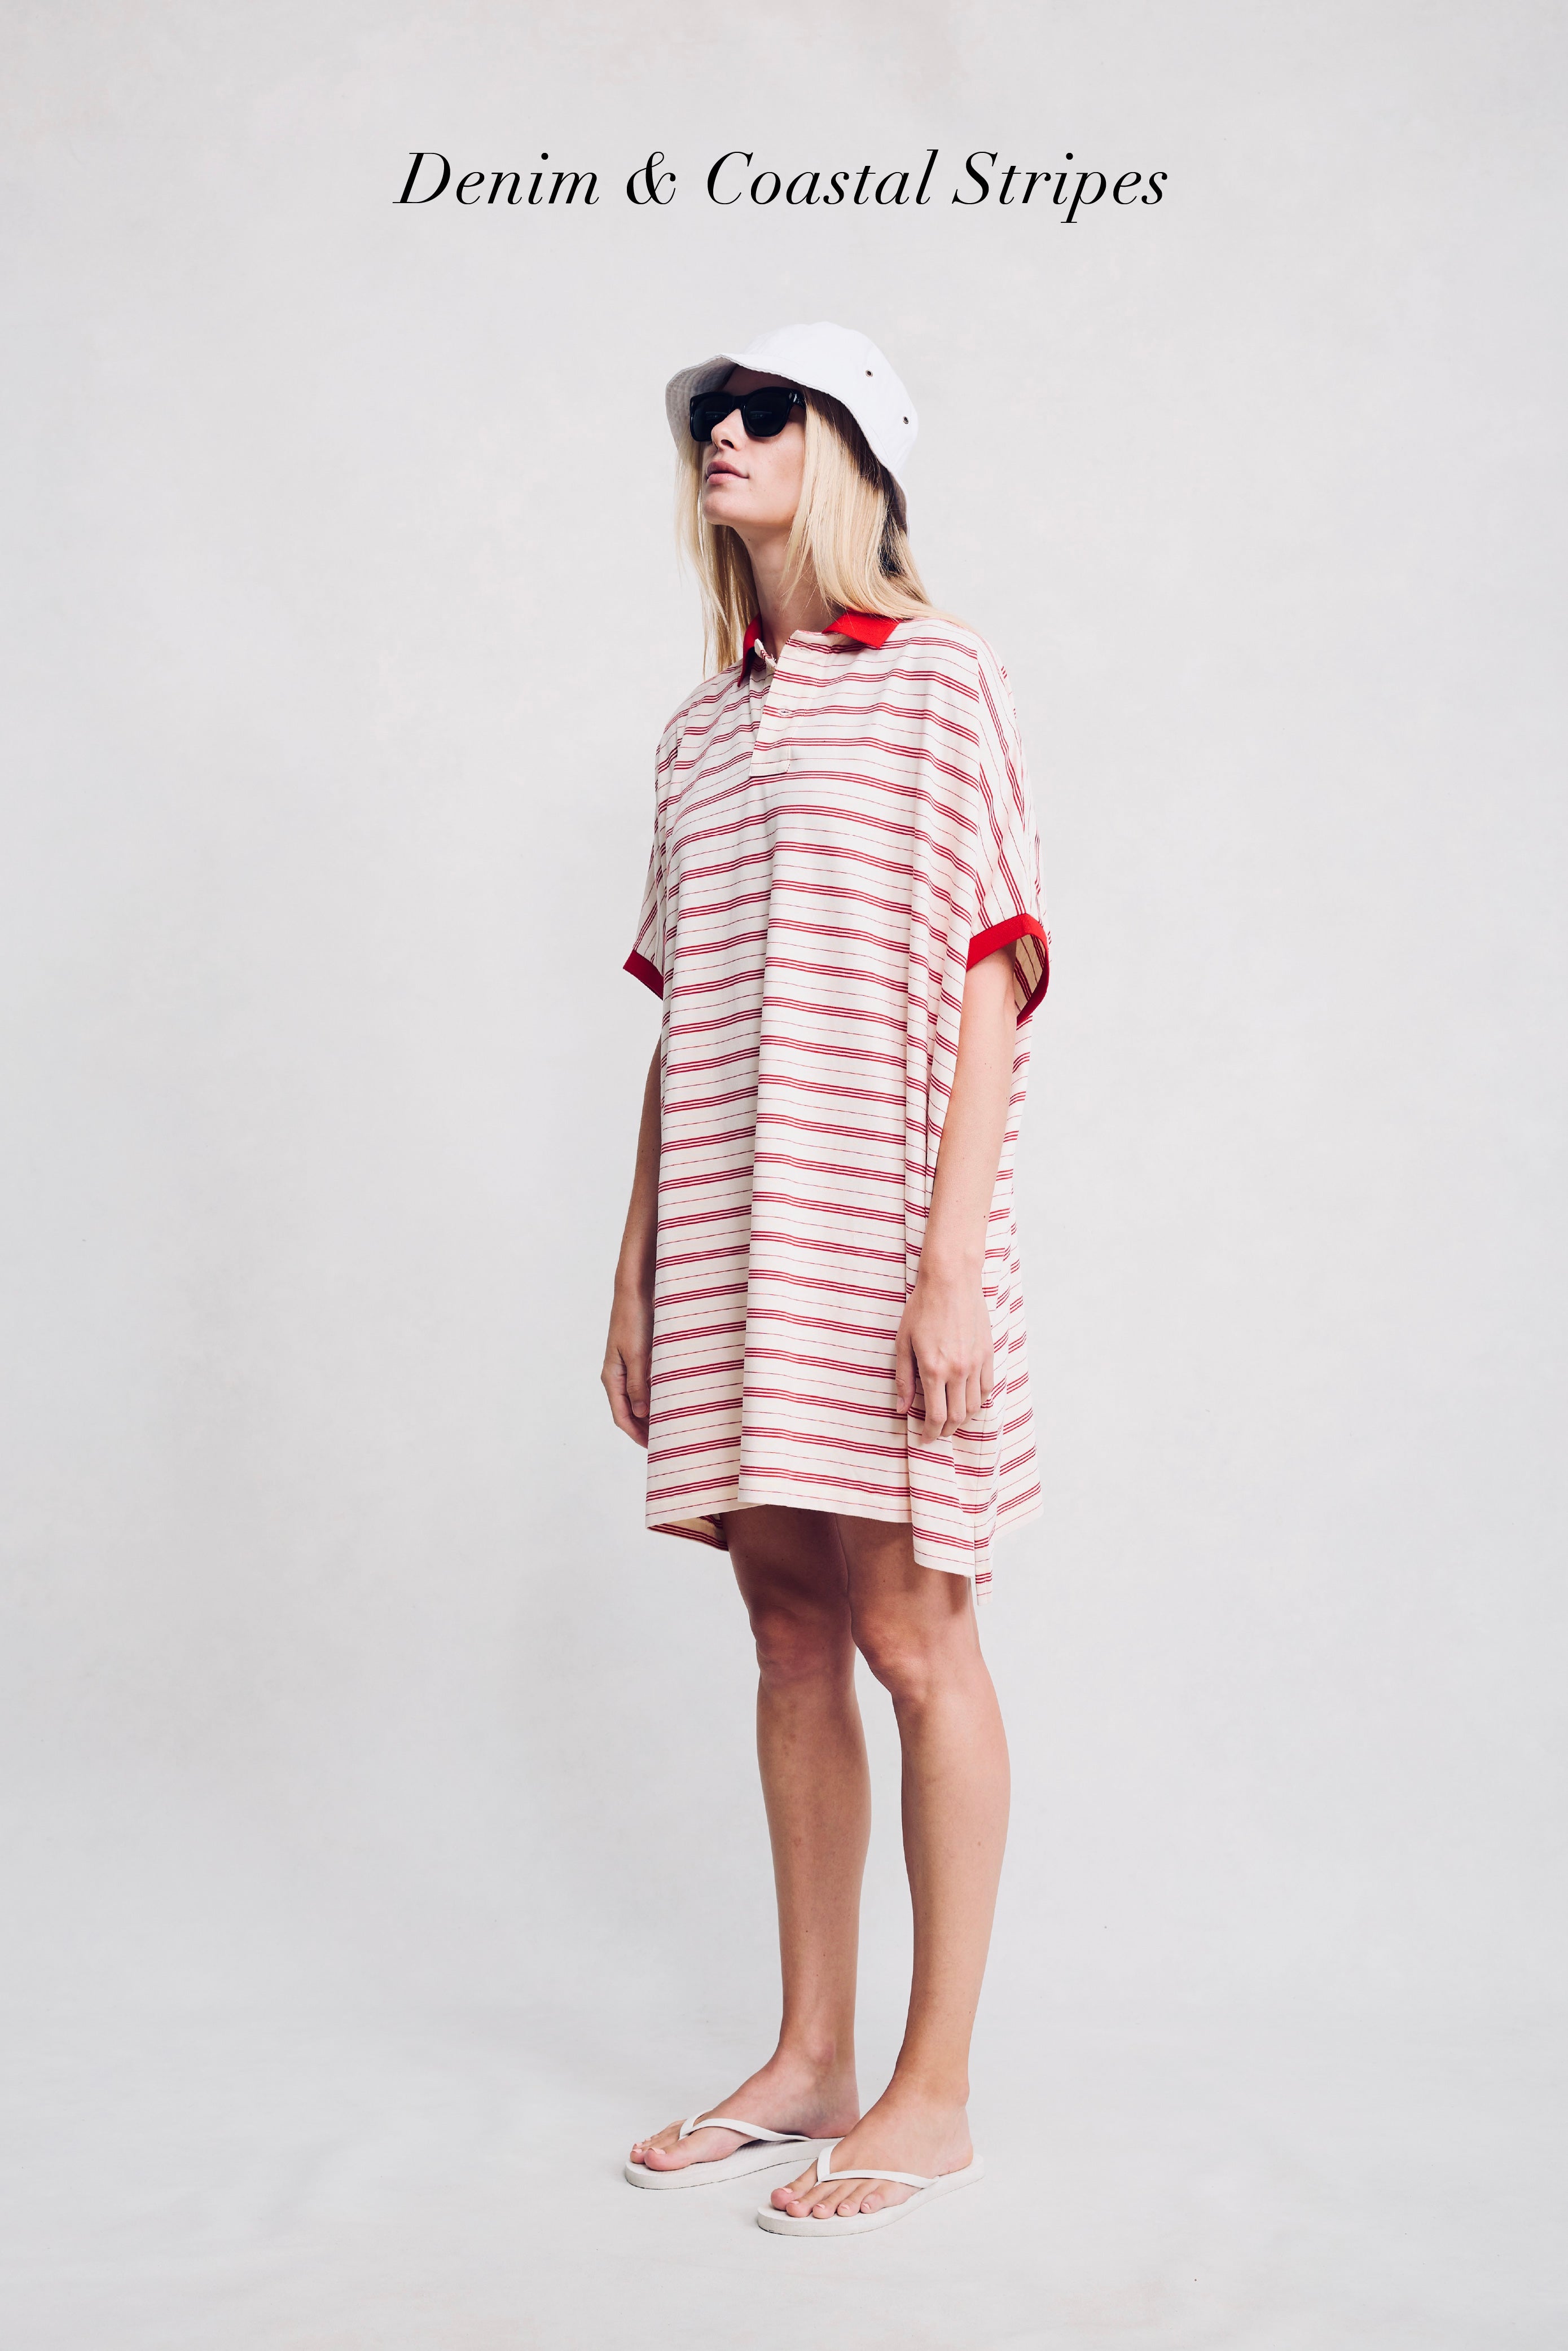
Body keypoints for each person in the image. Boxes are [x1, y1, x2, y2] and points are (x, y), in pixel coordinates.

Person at [603, 323, 1049, 2238]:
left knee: (912, 1633)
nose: (723, 434)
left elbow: (992, 970)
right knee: (786, 1631)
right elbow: (679, 1019)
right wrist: (634, 1271)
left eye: (763, 410)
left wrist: (947, 1264)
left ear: (850, 452)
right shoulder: (697, 731)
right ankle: (807, 2058)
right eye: (710, 414)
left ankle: (929, 2092)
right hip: (731, 1225)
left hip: (880, 1231)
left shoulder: (943, 677)